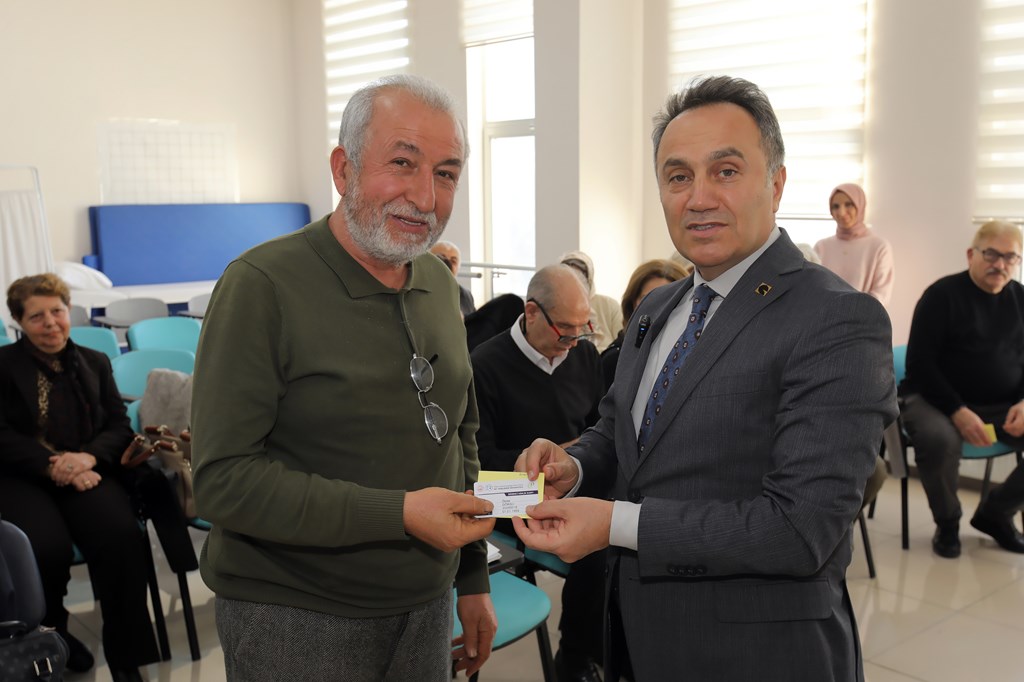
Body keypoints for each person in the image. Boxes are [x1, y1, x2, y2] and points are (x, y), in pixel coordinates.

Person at [511, 76, 897, 681]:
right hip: (635, 636)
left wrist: (613, 523)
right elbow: (619, 432)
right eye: (677, 176)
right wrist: (575, 465)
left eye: (726, 171)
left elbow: (800, 530)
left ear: (776, 183)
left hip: (756, 654)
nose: (698, 198)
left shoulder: (837, 319)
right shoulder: (657, 309)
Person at [191, 75, 497, 682]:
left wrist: (471, 575)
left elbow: (458, 436)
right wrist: (399, 513)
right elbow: (223, 482)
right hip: (295, 615)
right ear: (343, 169)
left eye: (446, 174)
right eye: (402, 163)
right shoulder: (261, 286)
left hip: (427, 603)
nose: (425, 196)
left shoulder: (439, 286)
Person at [0, 273, 159, 682]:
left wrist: (86, 459)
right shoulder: (3, 365)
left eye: (57, 311)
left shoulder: (95, 360)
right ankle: (54, 638)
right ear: (19, 321)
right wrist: (53, 464)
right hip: (24, 475)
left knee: (121, 537)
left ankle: (126, 657)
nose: (51, 323)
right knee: (44, 549)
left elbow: (118, 425)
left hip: (86, 469)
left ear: (68, 309)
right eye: (37, 316)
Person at [470, 264, 604, 682]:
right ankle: (575, 656)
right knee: (600, 545)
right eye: (565, 331)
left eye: (582, 330)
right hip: (511, 492)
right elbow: (478, 461)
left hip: (574, 478)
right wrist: (548, 460)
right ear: (531, 313)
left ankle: (607, 648)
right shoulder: (484, 365)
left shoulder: (583, 354)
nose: (573, 342)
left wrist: (574, 457)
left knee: (626, 525)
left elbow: (600, 427)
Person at [901, 220, 1024, 558]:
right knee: (938, 439)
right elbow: (920, 365)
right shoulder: (941, 296)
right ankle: (948, 522)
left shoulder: (1021, 298)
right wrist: (957, 410)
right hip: (933, 399)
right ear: (972, 254)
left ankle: (996, 514)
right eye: (991, 254)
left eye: (1010, 257)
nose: (1000, 264)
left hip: (1001, 403)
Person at [600, 259, 691, 390]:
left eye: (668, 300)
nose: (657, 308)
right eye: (647, 299)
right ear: (632, 304)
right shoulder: (615, 360)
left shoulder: (695, 355)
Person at [814, 182, 895, 307]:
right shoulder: (821, 247)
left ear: (860, 205)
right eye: (835, 206)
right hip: (824, 318)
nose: (841, 212)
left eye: (848, 204)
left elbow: (881, 296)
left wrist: (850, 313)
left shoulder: (879, 247)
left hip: (865, 318)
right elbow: (814, 291)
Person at [561, 250, 623, 353]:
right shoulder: (555, 308)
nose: (574, 284)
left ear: (588, 279)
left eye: (579, 278)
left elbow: (622, 342)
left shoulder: (609, 305)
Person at [431, 239, 476, 317]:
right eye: (441, 259)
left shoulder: (466, 295)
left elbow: (473, 322)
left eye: (453, 261)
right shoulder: (416, 292)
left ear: (458, 267)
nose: (448, 264)